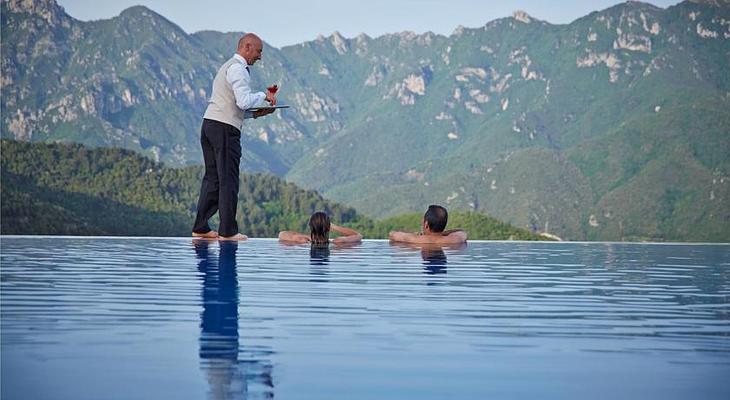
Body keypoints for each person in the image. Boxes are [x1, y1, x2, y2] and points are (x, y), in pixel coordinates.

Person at [192, 33, 278, 241]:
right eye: (258, 51)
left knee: (212, 178)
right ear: (247, 47)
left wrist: (257, 113)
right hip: (224, 130)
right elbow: (243, 101)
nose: (260, 56)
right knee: (228, 180)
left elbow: (235, 106)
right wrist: (264, 96)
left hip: (210, 125)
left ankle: (201, 227)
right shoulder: (239, 69)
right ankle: (228, 231)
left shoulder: (227, 67)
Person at [388, 205, 467, 244]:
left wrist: (415, 234)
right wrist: (442, 234)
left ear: (426, 224)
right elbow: (462, 232)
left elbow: (392, 234)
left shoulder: (415, 240)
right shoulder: (455, 239)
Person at [278, 211, 363, 245]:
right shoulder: (337, 242)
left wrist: (310, 237)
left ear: (311, 226)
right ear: (328, 227)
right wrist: (334, 226)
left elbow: (281, 234)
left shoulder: (303, 241)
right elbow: (358, 235)